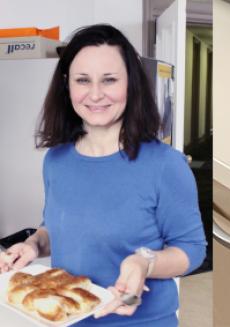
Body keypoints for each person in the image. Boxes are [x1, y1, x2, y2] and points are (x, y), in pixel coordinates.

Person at [0, 24, 206, 326]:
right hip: (67, 317)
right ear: (67, 85)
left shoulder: (166, 165)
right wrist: (33, 245)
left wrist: (145, 262)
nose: (95, 94)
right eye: (83, 80)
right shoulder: (56, 160)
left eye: (109, 80)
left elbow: (192, 249)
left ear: (130, 85)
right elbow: (58, 228)